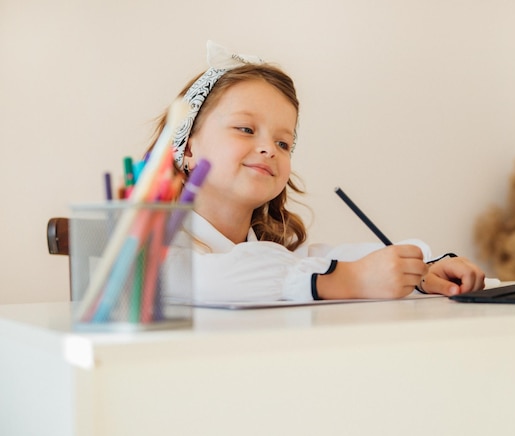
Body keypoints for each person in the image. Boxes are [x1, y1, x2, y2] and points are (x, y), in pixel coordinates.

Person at [149, 41, 486, 302]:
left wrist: (422, 272)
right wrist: (347, 279)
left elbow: (330, 257)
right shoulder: (158, 250)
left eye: (284, 143)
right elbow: (204, 276)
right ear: (188, 147)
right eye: (246, 130)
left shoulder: (278, 253)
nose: (269, 149)